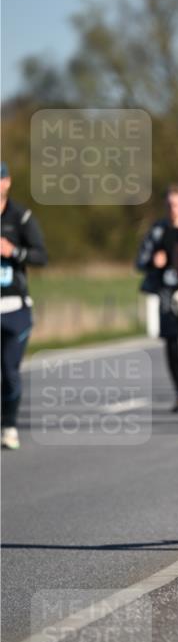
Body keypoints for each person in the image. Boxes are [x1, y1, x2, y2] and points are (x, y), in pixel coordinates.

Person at [136, 184, 178, 414]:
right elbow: (139, 262)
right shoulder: (158, 231)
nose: (174, 209)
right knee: (172, 344)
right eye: (170, 205)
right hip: (166, 293)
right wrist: (153, 262)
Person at [1, 161, 48, 449]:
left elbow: (41, 255)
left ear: (7, 182)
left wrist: (13, 251)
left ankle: (8, 425)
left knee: (9, 370)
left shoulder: (20, 217)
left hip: (15, 308)